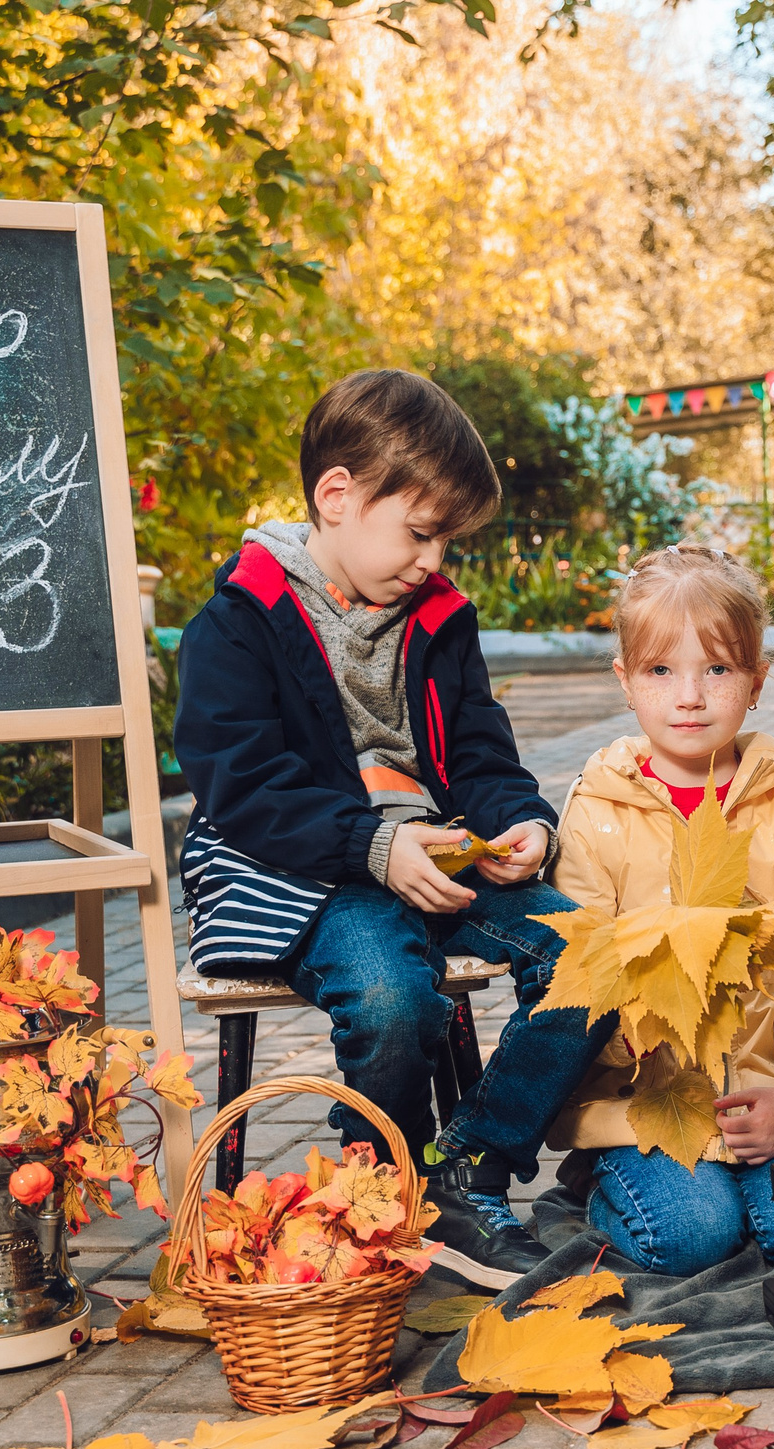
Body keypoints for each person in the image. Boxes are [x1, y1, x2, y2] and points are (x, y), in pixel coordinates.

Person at [174, 368, 608, 1288]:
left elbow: (484, 753)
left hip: (443, 851)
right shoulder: (240, 621)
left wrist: (520, 819)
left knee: (592, 957)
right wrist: (373, 845)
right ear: (337, 496)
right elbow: (240, 781)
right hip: (312, 866)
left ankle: (469, 1166)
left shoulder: (440, 619)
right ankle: (383, 1186)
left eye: (446, 539)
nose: (433, 559)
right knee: (391, 998)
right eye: (420, 533)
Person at [474, 545, 774, 1276]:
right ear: (626, 682)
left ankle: (756, 1170)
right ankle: (598, 1186)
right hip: (649, 1103)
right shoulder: (600, 805)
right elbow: (581, 968)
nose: (689, 696)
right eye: (662, 671)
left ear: (757, 681)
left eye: (717, 670)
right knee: (692, 1236)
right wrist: (625, 1042)